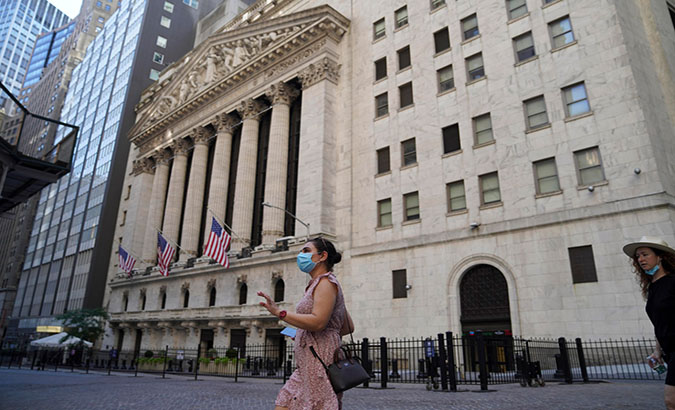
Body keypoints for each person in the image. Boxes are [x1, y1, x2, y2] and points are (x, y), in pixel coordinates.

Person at [258, 237, 354, 410]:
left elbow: (318, 322)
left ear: (322, 256)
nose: (301, 255)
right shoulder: (317, 284)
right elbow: (347, 326)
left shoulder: (326, 283)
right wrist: (304, 335)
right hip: (307, 363)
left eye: (306, 251)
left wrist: (280, 313)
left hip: (319, 362)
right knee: (284, 404)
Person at [623, 236, 675, 410]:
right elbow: (660, 323)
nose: (641, 259)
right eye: (638, 257)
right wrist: (657, 351)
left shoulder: (672, 282)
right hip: (669, 351)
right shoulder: (652, 287)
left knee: (671, 400)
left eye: (645, 254)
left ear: (660, 256)